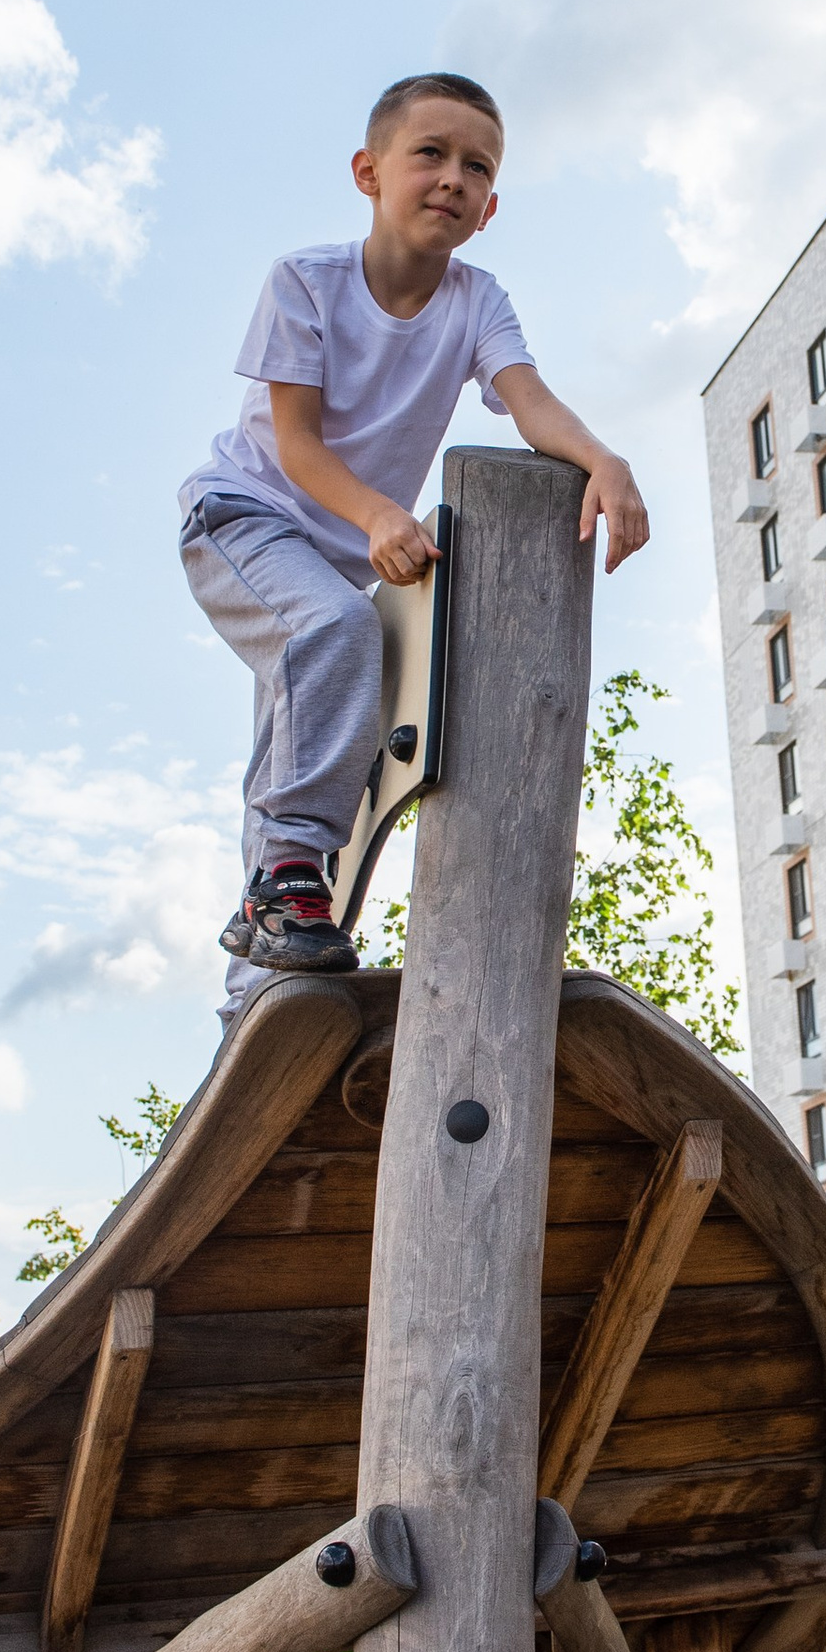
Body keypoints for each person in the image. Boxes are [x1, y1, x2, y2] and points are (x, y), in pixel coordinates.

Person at [180, 70, 648, 1008]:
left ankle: (252, 994)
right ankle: (285, 884)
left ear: (491, 204)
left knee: (304, 733)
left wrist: (605, 460)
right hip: (242, 520)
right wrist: (380, 515)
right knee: (336, 638)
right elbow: (301, 449)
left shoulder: (477, 301)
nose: (452, 178)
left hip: (330, 558)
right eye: (429, 154)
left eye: (476, 167)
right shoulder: (306, 283)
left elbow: (529, 400)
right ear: (369, 171)